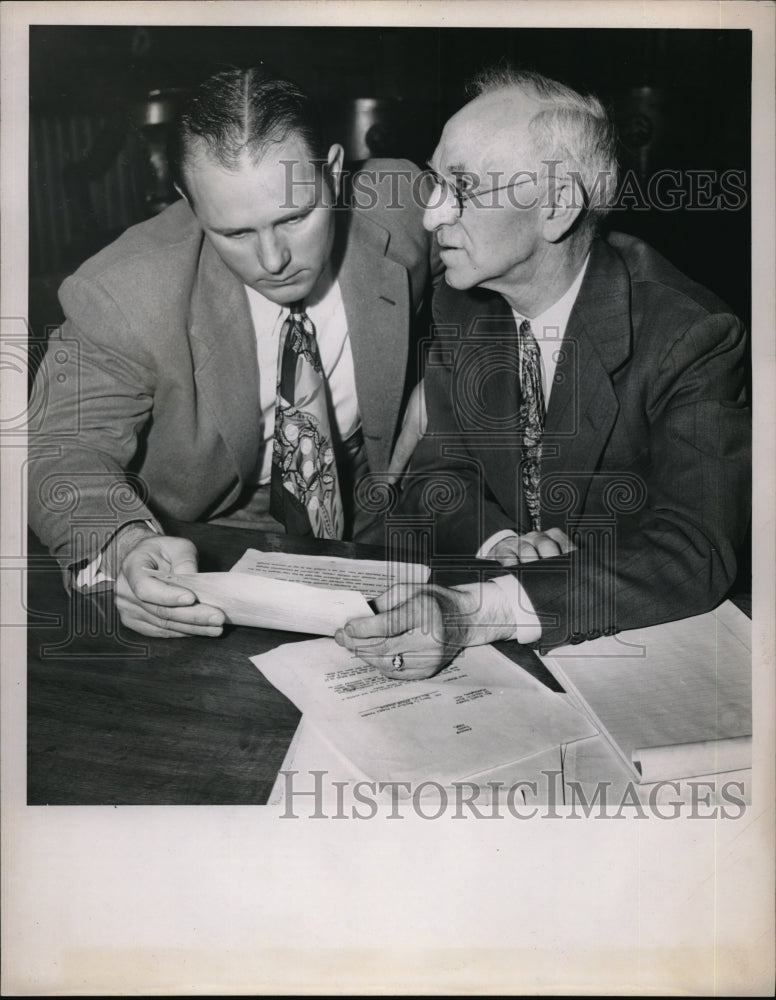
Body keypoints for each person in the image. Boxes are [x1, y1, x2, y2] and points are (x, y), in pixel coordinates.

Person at [336, 67, 750, 678]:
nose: (430, 218)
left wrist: (484, 610)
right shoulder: (460, 302)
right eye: (434, 182)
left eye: (463, 186)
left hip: (638, 656)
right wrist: (500, 544)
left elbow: (695, 550)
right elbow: (435, 474)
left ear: (556, 206)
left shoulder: (690, 333)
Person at [28, 67, 436, 638]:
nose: (273, 260)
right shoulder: (122, 292)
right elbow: (56, 452)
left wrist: (442, 380)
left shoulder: (403, 206)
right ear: (190, 206)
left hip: (378, 506)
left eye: (295, 218)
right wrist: (124, 544)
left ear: (337, 175)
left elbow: (521, 265)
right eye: (236, 234)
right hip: (203, 536)